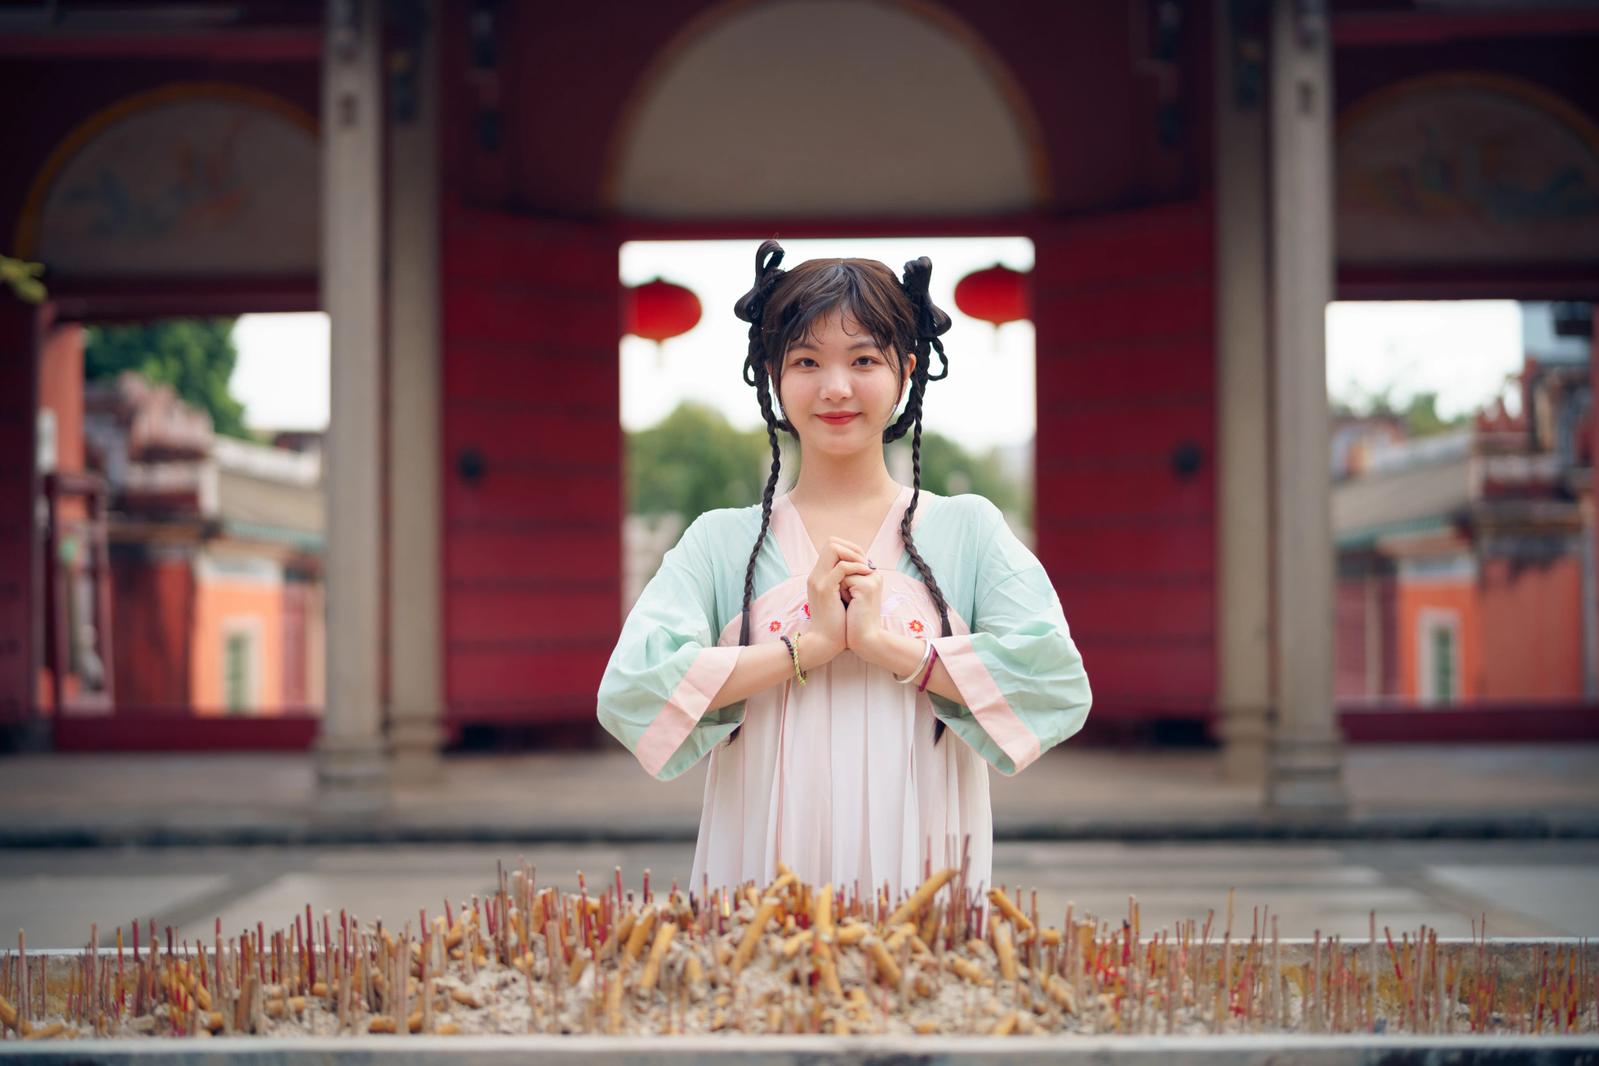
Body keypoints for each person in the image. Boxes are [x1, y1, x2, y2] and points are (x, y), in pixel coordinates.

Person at [597, 239, 1091, 904]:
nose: (835, 387)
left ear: (906, 370)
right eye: (805, 361)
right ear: (771, 373)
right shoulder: (720, 542)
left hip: (926, 868)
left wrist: (892, 649)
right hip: (759, 877)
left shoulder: (967, 530)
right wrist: (808, 648)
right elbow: (632, 690)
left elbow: (1053, 684)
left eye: (863, 360)